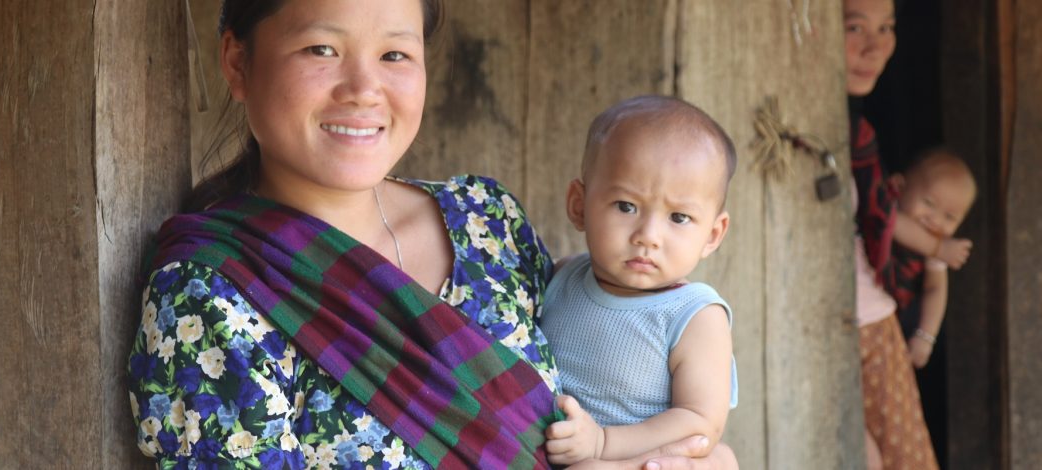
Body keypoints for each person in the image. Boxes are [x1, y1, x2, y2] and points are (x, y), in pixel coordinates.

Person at [127, 0, 738, 468]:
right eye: (321, 49)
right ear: (238, 63)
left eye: (394, 54)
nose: (364, 89)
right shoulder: (211, 293)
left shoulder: (488, 223)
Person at [539, 96, 737, 465]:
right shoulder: (561, 277)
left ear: (712, 234)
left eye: (678, 217)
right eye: (626, 207)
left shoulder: (694, 317)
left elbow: (699, 424)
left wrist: (602, 444)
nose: (648, 235)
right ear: (579, 205)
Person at [844, 0, 971, 468]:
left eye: (886, 28)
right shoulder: (840, 136)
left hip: (875, 325)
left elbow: (935, 284)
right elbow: (885, 220)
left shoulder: (859, 139)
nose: (876, 47)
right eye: (855, 26)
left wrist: (925, 337)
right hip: (849, 324)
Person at [885, 150, 976, 368]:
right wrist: (937, 248)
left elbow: (935, 288)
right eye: (929, 203)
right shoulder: (887, 208)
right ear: (899, 186)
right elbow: (892, 224)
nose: (934, 220)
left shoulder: (937, 243)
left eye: (949, 217)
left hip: (892, 322)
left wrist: (926, 337)